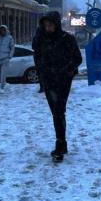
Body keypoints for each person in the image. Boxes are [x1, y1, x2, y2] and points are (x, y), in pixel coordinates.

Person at [34, 11, 82, 162]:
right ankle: (62, 144)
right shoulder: (42, 40)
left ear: (56, 24)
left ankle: (60, 146)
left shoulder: (67, 39)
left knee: (58, 111)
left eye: (50, 24)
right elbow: (36, 53)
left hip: (62, 81)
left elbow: (78, 59)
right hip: (48, 81)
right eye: (45, 25)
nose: (48, 28)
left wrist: (67, 71)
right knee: (56, 113)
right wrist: (42, 73)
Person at [0, 25, 15, 90]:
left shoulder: (9, 38)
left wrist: (10, 56)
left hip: (5, 58)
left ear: (6, 30)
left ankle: (2, 88)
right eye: (1, 30)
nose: (2, 31)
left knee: (3, 74)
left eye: (4, 30)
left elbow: (12, 47)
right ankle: (4, 83)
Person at [32, 25, 45, 93]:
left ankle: (42, 87)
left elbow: (33, 47)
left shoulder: (35, 38)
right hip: (42, 57)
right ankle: (44, 87)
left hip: (38, 57)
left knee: (40, 73)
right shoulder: (45, 37)